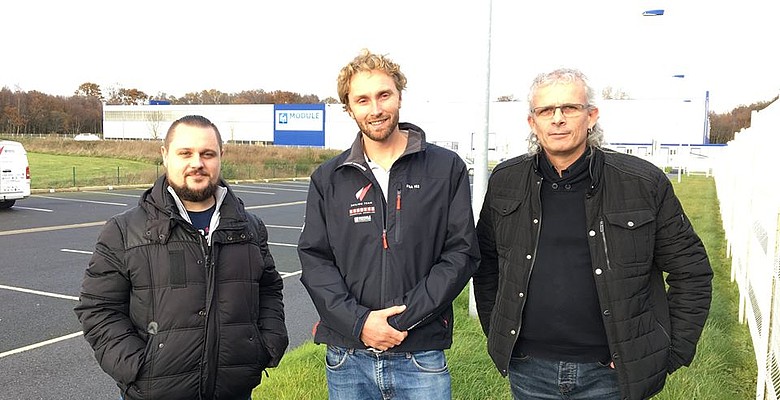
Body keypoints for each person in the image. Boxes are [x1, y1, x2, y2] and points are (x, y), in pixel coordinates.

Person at [473, 68, 713, 400]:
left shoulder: (642, 182)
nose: (558, 119)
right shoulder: (505, 180)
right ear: (533, 122)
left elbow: (692, 272)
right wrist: (498, 335)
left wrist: (667, 350)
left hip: (610, 374)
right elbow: (487, 268)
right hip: (529, 369)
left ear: (591, 116)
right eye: (546, 111)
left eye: (569, 108)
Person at [297, 49, 480, 400]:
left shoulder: (446, 168)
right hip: (347, 356)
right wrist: (360, 323)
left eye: (384, 95)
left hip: (420, 355)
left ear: (399, 96)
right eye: (362, 100)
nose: (375, 109)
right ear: (348, 108)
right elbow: (315, 260)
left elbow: (461, 253)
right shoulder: (328, 178)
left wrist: (399, 321)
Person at [74, 115, 288, 400]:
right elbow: (98, 309)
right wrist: (138, 367)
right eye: (185, 153)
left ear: (220, 157)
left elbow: (269, 289)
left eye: (207, 154)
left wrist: (266, 346)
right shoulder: (124, 231)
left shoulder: (249, 228)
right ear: (165, 156)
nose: (197, 163)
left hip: (234, 392)